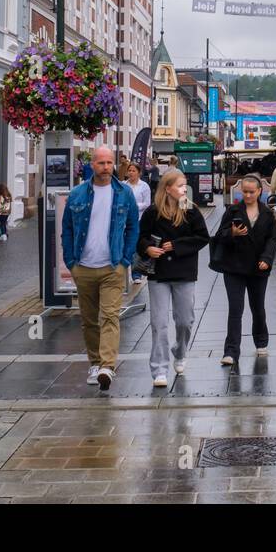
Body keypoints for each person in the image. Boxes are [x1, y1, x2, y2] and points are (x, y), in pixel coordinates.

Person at [60, 146, 140, 391]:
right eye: (101, 163)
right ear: (92, 165)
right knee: (89, 320)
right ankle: (95, 363)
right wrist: (71, 262)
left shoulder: (124, 193)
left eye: (109, 163)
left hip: (112, 267)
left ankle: (107, 365)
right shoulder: (77, 194)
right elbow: (68, 230)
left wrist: (125, 260)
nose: (106, 168)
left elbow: (133, 228)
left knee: (109, 317)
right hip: (83, 267)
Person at [139, 170, 209, 387]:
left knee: (185, 320)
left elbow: (202, 237)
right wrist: (148, 249)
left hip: (184, 271)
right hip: (158, 273)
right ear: (167, 188)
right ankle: (159, 369)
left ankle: (180, 351)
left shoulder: (190, 210)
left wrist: (177, 246)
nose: (183, 189)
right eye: (179, 185)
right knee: (159, 322)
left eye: (184, 185)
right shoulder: (152, 212)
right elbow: (139, 238)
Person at [210, 174, 276, 365]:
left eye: (251, 192)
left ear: (259, 191)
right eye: (245, 192)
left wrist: (267, 258)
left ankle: (261, 340)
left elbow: (273, 238)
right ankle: (231, 351)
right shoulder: (233, 211)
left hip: (258, 268)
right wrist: (231, 233)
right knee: (235, 309)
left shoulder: (267, 213)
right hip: (234, 267)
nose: (248, 195)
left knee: (258, 307)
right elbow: (218, 235)